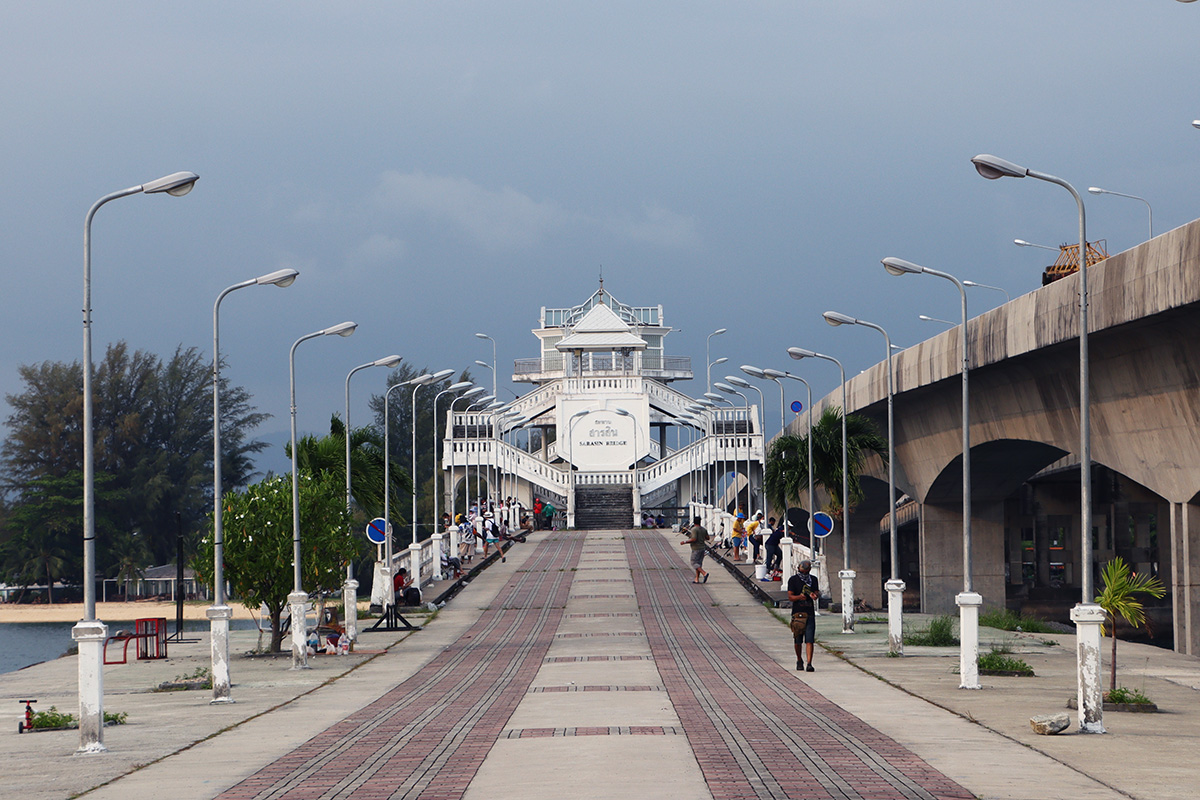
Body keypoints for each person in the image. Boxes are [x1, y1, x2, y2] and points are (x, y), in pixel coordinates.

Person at [788, 560, 819, 672]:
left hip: (809, 613)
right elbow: (790, 597)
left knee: (809, 640)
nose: (804, 574)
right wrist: (799, 597)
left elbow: (816, 592)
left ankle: (809, 663)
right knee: (798, 641)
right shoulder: (793, 580)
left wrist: (815, 595)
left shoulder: (813, 580)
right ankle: (799, 659)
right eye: (802, 571)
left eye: (806, 572)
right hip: (798, 614)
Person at [680, 516, 710, 584]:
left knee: (693, 563)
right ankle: (697, 579)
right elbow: (707, 538)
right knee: (699, 564)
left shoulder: (694, 529)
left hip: (696, 548)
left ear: (694, 522)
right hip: (702, 548)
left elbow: (694, 539)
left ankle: (704, 573)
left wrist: (684, 542)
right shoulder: (703, 529)